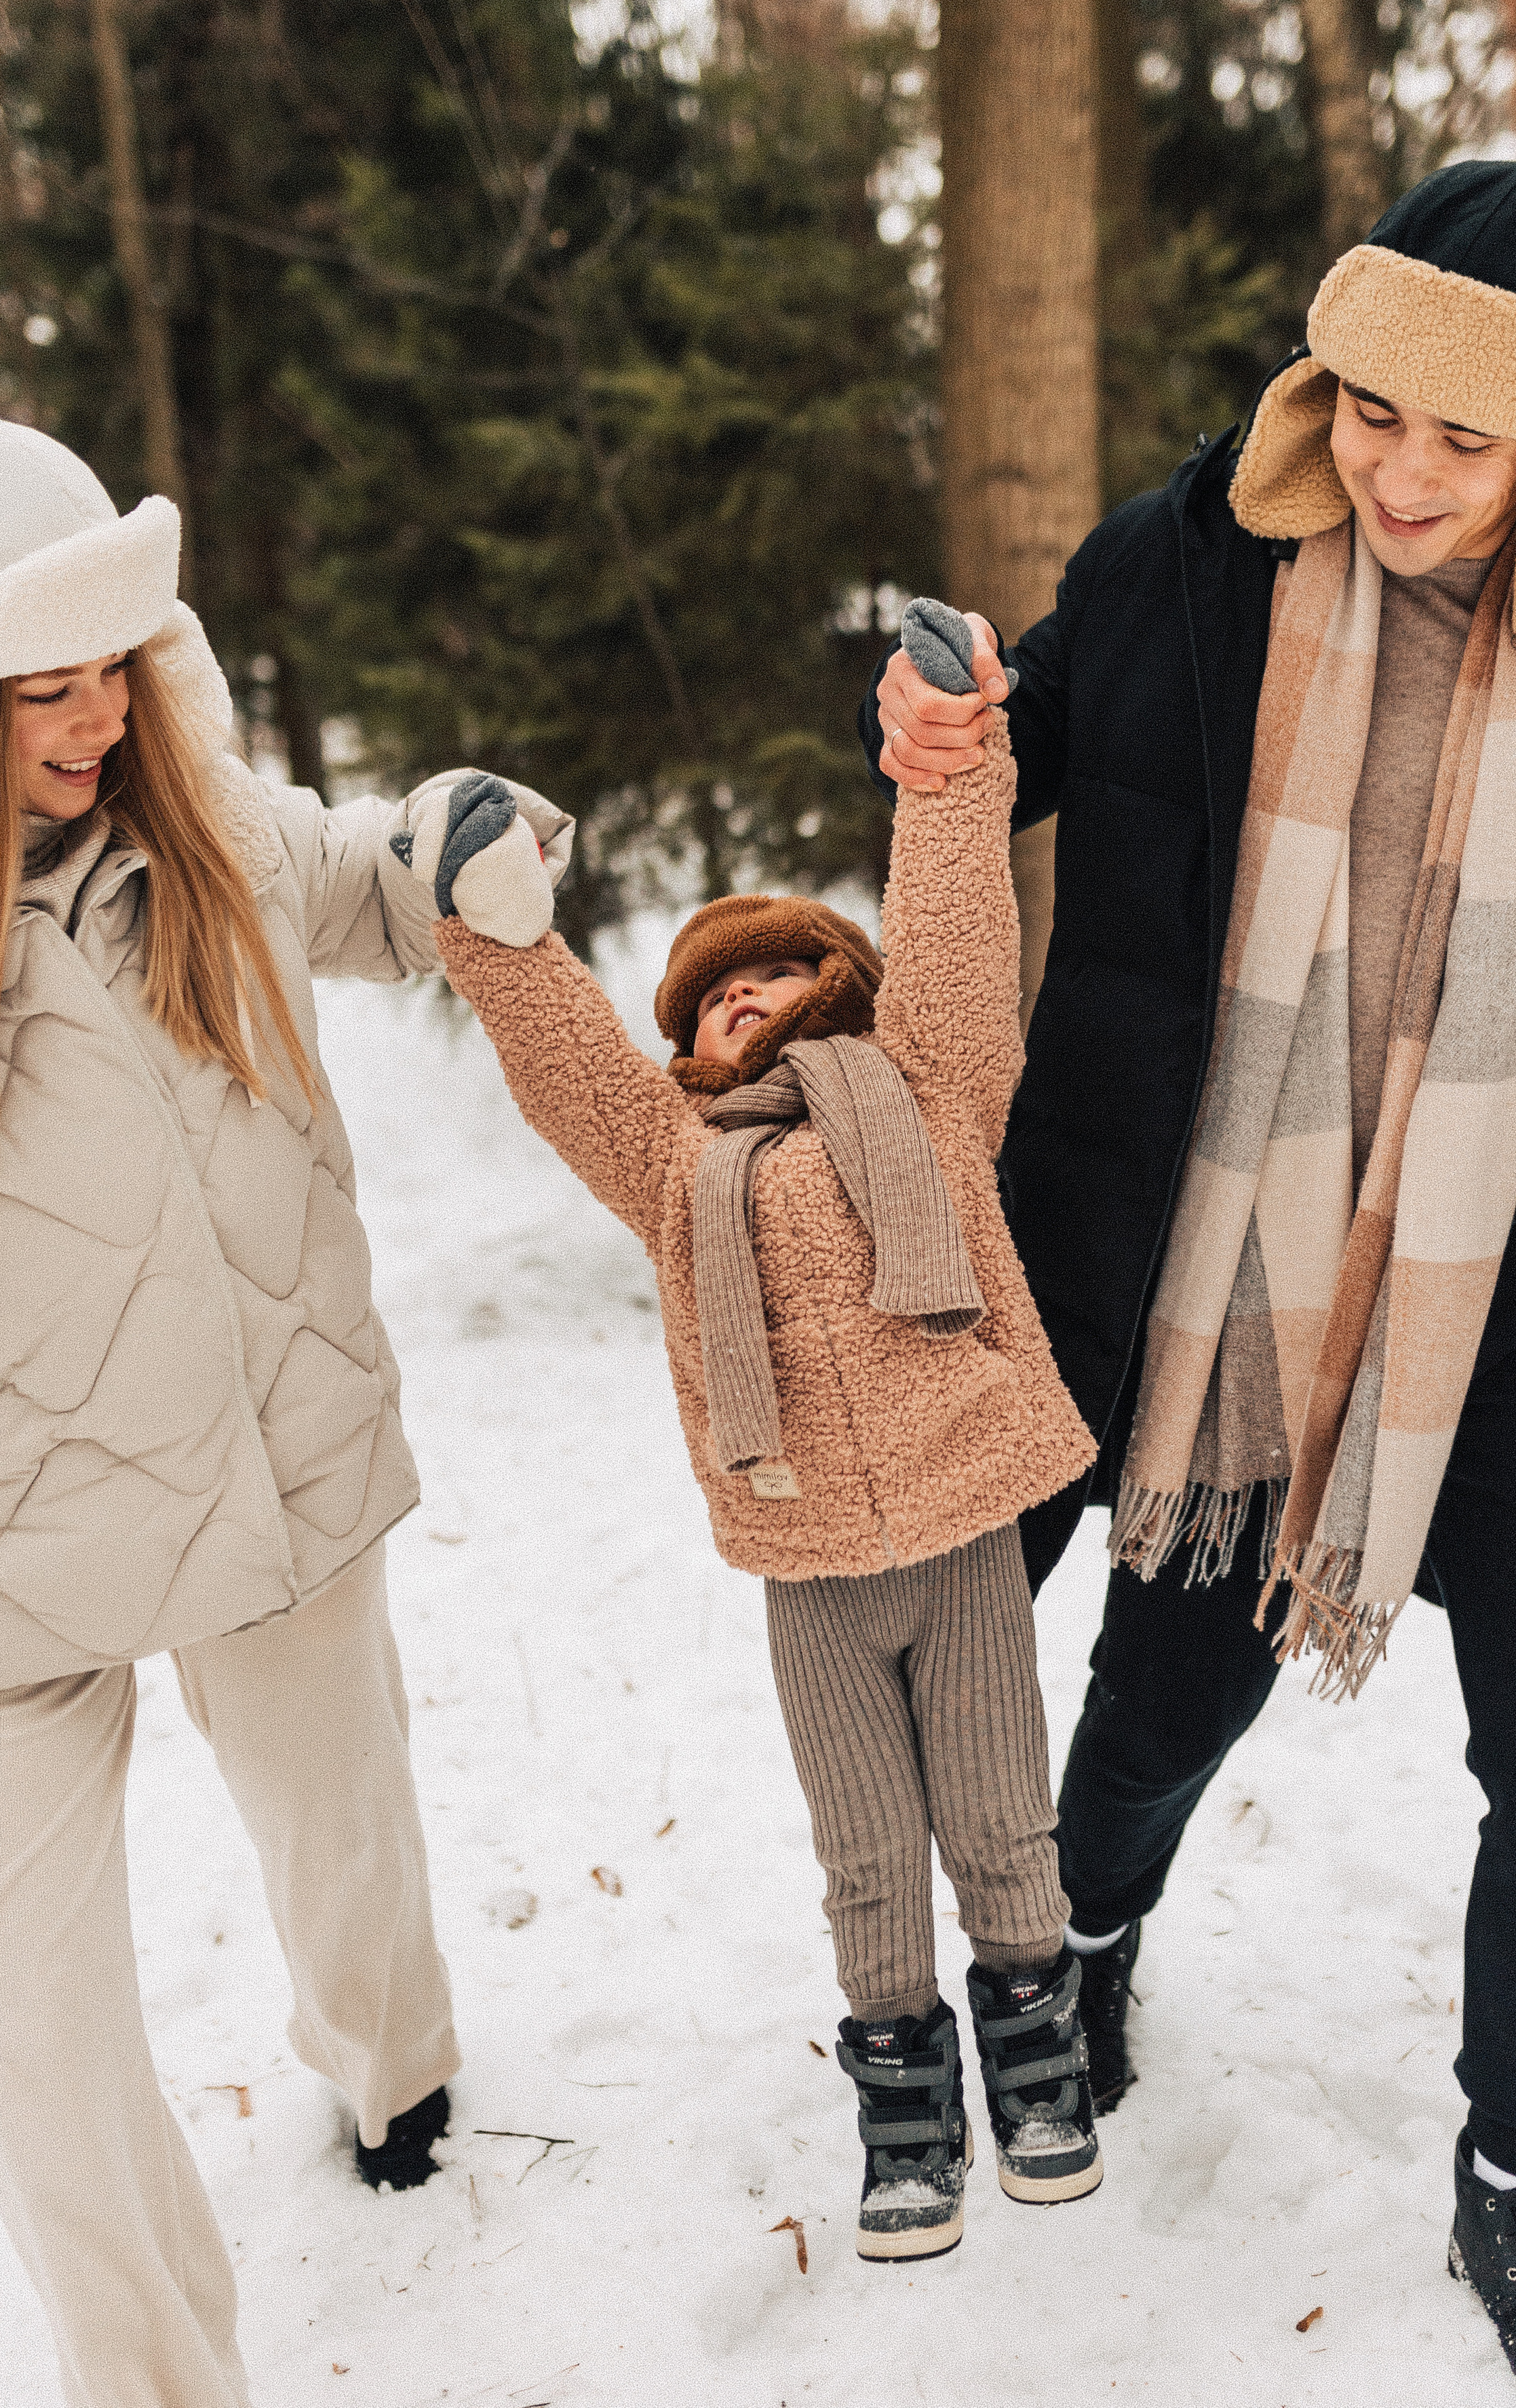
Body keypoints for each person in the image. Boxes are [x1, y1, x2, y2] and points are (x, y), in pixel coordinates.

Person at [860, 159, 1516, 2407]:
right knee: (1166, 1703)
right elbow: (1029, 730)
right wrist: (951, 734)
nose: (1402, 473)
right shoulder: (1190, 559)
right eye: (1369, 412)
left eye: (1460, 436)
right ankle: (1094, 1941)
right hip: (1236, 1269)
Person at [0, 419, 572, 2408]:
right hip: (17, 1555)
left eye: (110, 671)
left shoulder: (201, 820)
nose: (89, 722)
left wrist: (471, 840)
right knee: (43, 2045)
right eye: (36, 691)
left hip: (267, 1457)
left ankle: (393, 2072)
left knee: (343, 1825)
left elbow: (371, 888)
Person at [423, 634, 1103, 2263]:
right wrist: (489, 929)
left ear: (841, 993)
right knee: (864, 1848)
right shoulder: (671, 1162)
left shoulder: (929, 1087)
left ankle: (1036, 2053)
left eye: (775, 973)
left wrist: (944, 768)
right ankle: (904, 2101)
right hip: (802, 1557)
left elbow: (950, 922)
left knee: (1003, 1819)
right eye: (711, 998)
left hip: (957, 1531)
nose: (740, 995)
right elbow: (572, 1062)